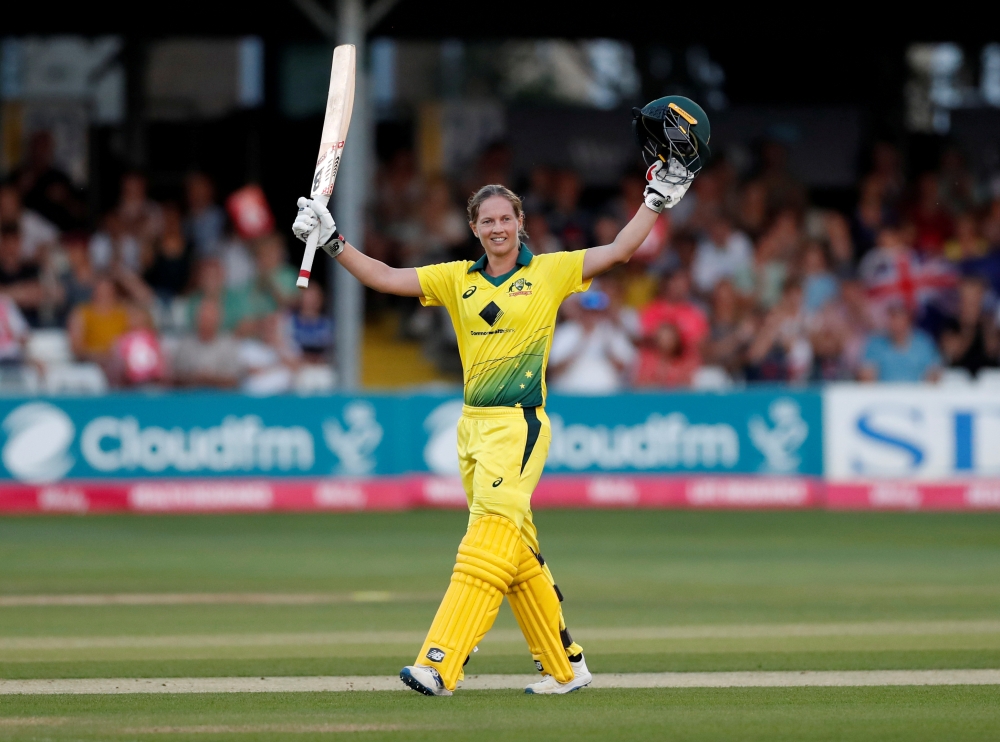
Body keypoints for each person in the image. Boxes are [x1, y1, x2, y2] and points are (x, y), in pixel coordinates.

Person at [292, 96, 705, 697]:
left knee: (487, 536)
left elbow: (618, 251)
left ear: (520, 224)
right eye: (486, 221)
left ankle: (439, 663)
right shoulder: (456, 279)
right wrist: (333, 242)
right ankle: (567, 669)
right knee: (514, 549)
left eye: (505, 219)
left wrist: (654, 203)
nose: (497, 228)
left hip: (519, 424)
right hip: (472, 427)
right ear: (475, 229)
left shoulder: (551, 273)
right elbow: (385, 277)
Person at [548, 290, 636, 394]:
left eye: (596, 311)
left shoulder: (612, 333)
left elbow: (625, 369)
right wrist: (581, 342)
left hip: (606, 395)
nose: (592, 316)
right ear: (581, 310)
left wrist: (607, 347)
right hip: (570, 394)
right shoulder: (566, 332)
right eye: (588, 311)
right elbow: (554, 369)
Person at [859, 300, 942, 383]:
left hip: (917, 394)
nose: (896, 322)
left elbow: (935, 371)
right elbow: (866, 376)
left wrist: (931, 378)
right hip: (884, 394)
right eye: (892, 317)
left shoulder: (924, 342)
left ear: (909, 319)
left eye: (900, 316)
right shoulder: (875, 343)